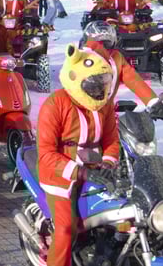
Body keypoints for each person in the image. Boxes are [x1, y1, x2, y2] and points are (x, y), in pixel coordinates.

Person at [37, 45, 120, 266]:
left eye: (104, 83)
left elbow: (112, 140)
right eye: (94, 85)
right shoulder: (54, 104)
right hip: (60, 176)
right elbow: (45, 153)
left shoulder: (105, 105)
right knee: (66, 230)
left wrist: (109, 163)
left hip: (95, 170)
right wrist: (79, 171)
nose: (100, 90)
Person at [81, 21, 163, 118]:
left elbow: (133, 80)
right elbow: (69, 85)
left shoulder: (116, 58)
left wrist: (153, 102)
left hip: (107, 114)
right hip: (80, 113)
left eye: (107, 43)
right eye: (97, 43)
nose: (102, 48)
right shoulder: (79, 59)